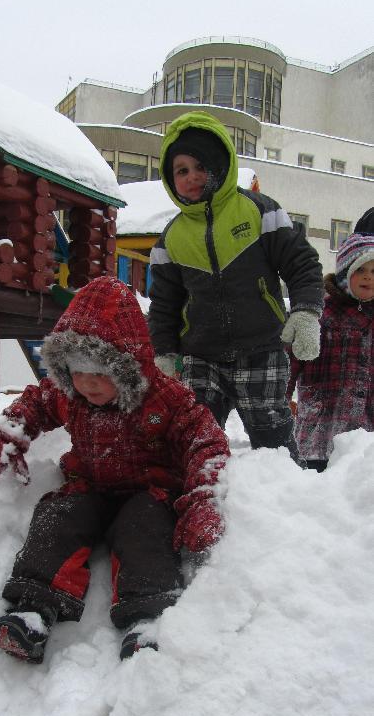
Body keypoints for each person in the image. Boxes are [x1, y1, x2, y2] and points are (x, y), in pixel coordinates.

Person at [0, 276, 230, 663]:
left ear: (128, 366)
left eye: (100, 374)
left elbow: (205, 442)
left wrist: (203, 497)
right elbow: (31, 407)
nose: (87, 385)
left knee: (145, 528)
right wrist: (4, 442)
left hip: (148, 490)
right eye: (77, 372)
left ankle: (146, 617)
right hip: (88, 484)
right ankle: (33, 610)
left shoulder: (165, 398)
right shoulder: (69, 395)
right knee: (57, 516)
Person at [148, 112, 324, 461]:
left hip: (261, 347)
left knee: (272, 438)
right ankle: (201, 498)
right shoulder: (171, 239)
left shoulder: (259, 212)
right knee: (195, 436)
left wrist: (305, 312)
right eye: (181, 170)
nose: (192, 177)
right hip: (200, 356)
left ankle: (282, 499)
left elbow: (301, 263)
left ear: (218, 164)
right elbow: (164, 305)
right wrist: (165, 354)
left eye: (199, 165)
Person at [287, 233, 374, 471]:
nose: (368, 276)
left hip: (367, 436)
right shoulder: (320, 313)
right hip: (320, 428)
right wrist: (281, 397)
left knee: (357, 492)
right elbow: (291, 360)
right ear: (345, 274)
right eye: (360, 269)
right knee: (316, 494)